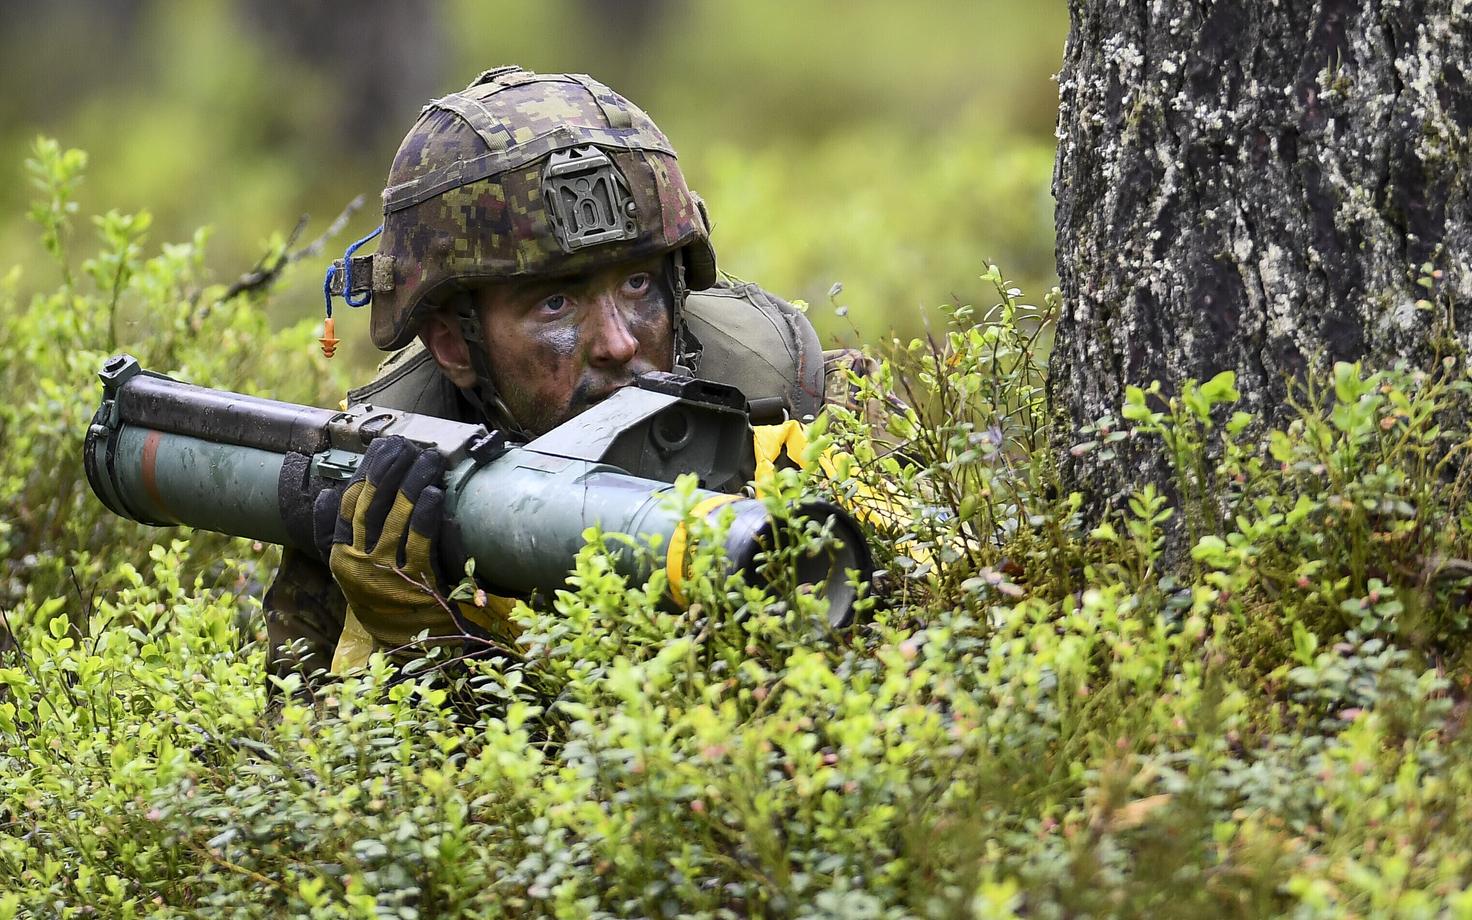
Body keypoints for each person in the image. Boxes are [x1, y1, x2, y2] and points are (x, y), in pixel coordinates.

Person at [265, 66, 878, 690]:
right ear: (452, 342)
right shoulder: (380, 501)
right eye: (556, 304)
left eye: (637, 283)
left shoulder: (799, 398)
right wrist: (416, 647)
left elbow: (909, 657)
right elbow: (292, 740)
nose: (620, 343)